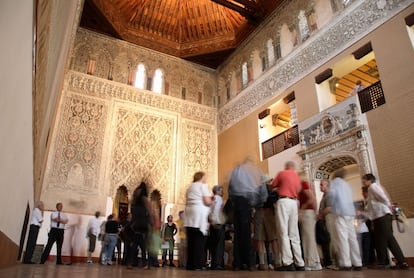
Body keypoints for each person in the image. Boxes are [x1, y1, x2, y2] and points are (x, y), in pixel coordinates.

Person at [362, 173, 409, 270]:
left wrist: (389, 205)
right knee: (388, 239)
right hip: (380, 216)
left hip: (382, 216)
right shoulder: (372, 189)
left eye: (364, 180)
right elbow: (372, 207)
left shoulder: (372, 187)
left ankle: (382, 263)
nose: (363, 182)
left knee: (381, 240)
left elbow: (383, 197)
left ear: (369, 180)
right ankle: (402, 262)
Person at [229, 158, 262, 271]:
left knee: (238, 236)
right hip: (245, 204)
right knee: (247, 235)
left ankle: (237, 263)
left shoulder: (234, 172)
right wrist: (252, 205)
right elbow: (253, 191)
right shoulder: (247, 174)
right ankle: (249, 263)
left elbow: (230, 190)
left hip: (237, 205)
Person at [271, 161, 305, 271]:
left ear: (286, 166)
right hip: (294, 202)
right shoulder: (297, 177)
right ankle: (300, 263)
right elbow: (299, 190)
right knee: (294, 234)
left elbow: (272, 186)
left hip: (284, 201)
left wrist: (279, 188)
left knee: (283, 232)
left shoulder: (282, 173)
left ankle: (288, 263)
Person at [327, 170, 362, 270]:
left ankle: (346, 263)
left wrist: (332, 206)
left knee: (342, 238)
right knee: (352, 238)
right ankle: (357, 263)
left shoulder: (334, 183)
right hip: (350, 212)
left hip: (340, 212)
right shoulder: (346, 184)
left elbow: (332, 195)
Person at [184, 171, 212, 271]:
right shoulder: (202, 186)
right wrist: (213, 201)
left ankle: (190, 264)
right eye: (205, 177)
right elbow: (207, 201)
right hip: (199, 215)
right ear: (201, 177)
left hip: (189, 214)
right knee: (199, 241)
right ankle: (198, 265)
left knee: (191, 241)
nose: (206, 179)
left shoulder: (190, 187)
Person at [254, 175, 279, 270]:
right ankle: (277, 262)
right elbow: (275, 200)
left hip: (259, 213)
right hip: (269, 213)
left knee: (260, 239)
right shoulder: (271, 190)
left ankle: (262, 263)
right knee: (273, 238)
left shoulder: (256, 190)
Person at [298, 180, 322, 271]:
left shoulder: (302, 183)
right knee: (309, 238)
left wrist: (303, 207)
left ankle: (311, 263)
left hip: (307, 212)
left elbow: (312, 198)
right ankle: (316, 262)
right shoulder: (301, 184)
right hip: (308, 213)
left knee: (308, 238)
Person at [127, 182, 152, 269]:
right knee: (143, 246)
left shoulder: (135, 199)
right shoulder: (144, 199)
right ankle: (144, 263)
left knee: (135, 246)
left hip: (136, 226)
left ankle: (131, 262)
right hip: (142, 226)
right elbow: (149, 211)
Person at [317, 179, 334, 268]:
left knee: (330, 239)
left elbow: (329, 208)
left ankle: (332, 260)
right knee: (326, 239)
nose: (320, 186)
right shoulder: (325, 195)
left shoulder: (330, 194)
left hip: (329, 217)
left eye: (321, 184)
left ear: (327, 185)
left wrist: (320, 215)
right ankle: (328, 260)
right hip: (325, 218)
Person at [208, 185, 226, 270]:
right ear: (217, 191)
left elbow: (210, 210)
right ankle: (218, 264)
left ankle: (213, 263)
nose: (222, 192)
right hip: (218, 223)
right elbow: (218, 210)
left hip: (212, 224)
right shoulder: (219, 198)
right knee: (219, 245)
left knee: (213, 244)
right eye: (221, 190)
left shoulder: (211, 198)